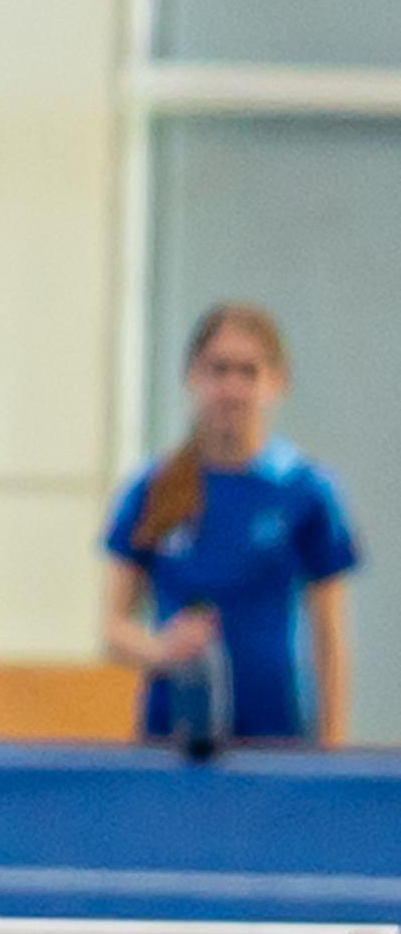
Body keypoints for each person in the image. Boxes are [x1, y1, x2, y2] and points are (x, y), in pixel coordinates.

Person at [102, 304, 358, 748]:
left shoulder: (306, 491)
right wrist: (161, 651)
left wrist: (332, 749)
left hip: (276, 742)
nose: (232, 388)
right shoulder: (154, 489)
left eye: (248, 372)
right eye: (219, 370)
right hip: (173, 742)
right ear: (192, 377)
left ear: (277, 382)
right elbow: (112, 629)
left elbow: (330, 639)